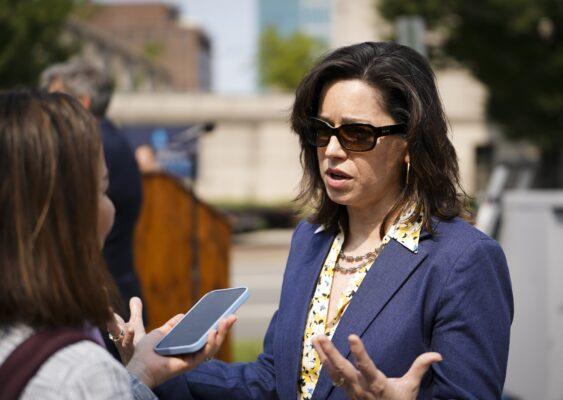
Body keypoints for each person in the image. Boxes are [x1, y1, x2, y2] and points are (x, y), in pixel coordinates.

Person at [113, 42, 513, 399]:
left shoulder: (464, 259)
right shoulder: (311, 239)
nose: (333, 150)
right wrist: (157, 371)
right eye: (322, 131)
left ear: (409, 144)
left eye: (357, 134)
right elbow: (273, 380)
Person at [0, 90, 234, 399]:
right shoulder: (84, 375)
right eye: (102, 188)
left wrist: (141, 372)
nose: (112, 209)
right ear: (66, 214)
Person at [40, 61, 145, 322]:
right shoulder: (110, 138)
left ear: (82, 102)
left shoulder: (93, 145)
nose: (44, 111)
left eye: (56, 101)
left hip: (103, 301)